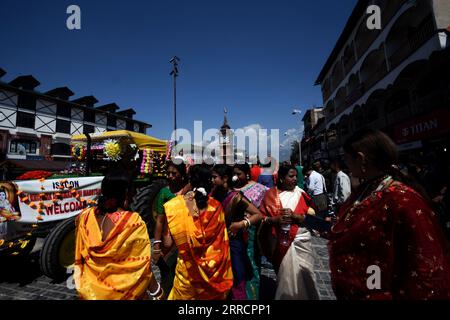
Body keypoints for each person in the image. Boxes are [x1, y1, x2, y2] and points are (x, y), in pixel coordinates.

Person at [329, 129, 450, 300]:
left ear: (361, 158)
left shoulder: (402, 199)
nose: (345, 163)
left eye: (346, 158)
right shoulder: (365, 191)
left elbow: (427, 267)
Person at [74, 170, 162, 300]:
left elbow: (81, 256)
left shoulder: (85, 217)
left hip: (91, 292)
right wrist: (157, 292)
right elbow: (141, 266)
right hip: (125, 294)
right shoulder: (133, 223)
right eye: (133, 189)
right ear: (126, 192)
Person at [163, 164, 233, 300]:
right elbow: (221, 243)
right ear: (209, 182)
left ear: (190, 180)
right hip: (212, 275)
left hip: (187, 274)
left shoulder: (175, 206)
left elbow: (168, 242)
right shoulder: (216, 207)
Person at [258, 165, 319, 300]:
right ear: (280, 179)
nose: (295, 179)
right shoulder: (270, 196)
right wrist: (275, 220)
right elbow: (262, 219)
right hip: (282, 243)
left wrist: (296, 217)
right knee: (286, 278)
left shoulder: (301, 193)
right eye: (291, 176)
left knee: (307, 274)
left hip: (302, 241)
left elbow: (312, 219)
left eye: (296, 176)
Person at [211, 164, 264, 300]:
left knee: (237, 274)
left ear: (225, 178)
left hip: (234, 243)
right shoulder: (214, 194)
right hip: (217, 243)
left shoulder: (236, 197)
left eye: (214, 177)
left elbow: (258, 215)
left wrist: (241, 224)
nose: (212, 180)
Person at [153, 161, 190, 294]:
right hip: (167, 240)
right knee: (167, 276)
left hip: (185, 240)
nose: (170, 176)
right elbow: (159, 221)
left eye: (174, 173)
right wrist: (156, 246)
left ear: (182, 174)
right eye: (168, 173)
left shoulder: (189, 192)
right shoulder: (164, 192)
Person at [232, 163, 269, 299]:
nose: (235, 177)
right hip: (233, 233)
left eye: (239, 174)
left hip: (252, 234)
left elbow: (265, 211)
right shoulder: (231, 189)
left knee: (251, 264)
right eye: (233, 174)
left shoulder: (259, 189)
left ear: (247, 174)